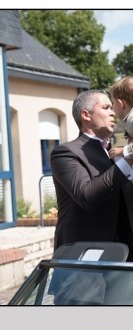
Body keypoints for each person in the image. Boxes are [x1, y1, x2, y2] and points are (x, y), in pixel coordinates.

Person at [49, 90, 133, 251]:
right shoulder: (66, 153)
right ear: (86, 115)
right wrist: (129, 158)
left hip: (125, 254)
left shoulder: (117, 153)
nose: (112, 113)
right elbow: (86, 196)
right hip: (86, 256)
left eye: (112, 108)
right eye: (106, 107)